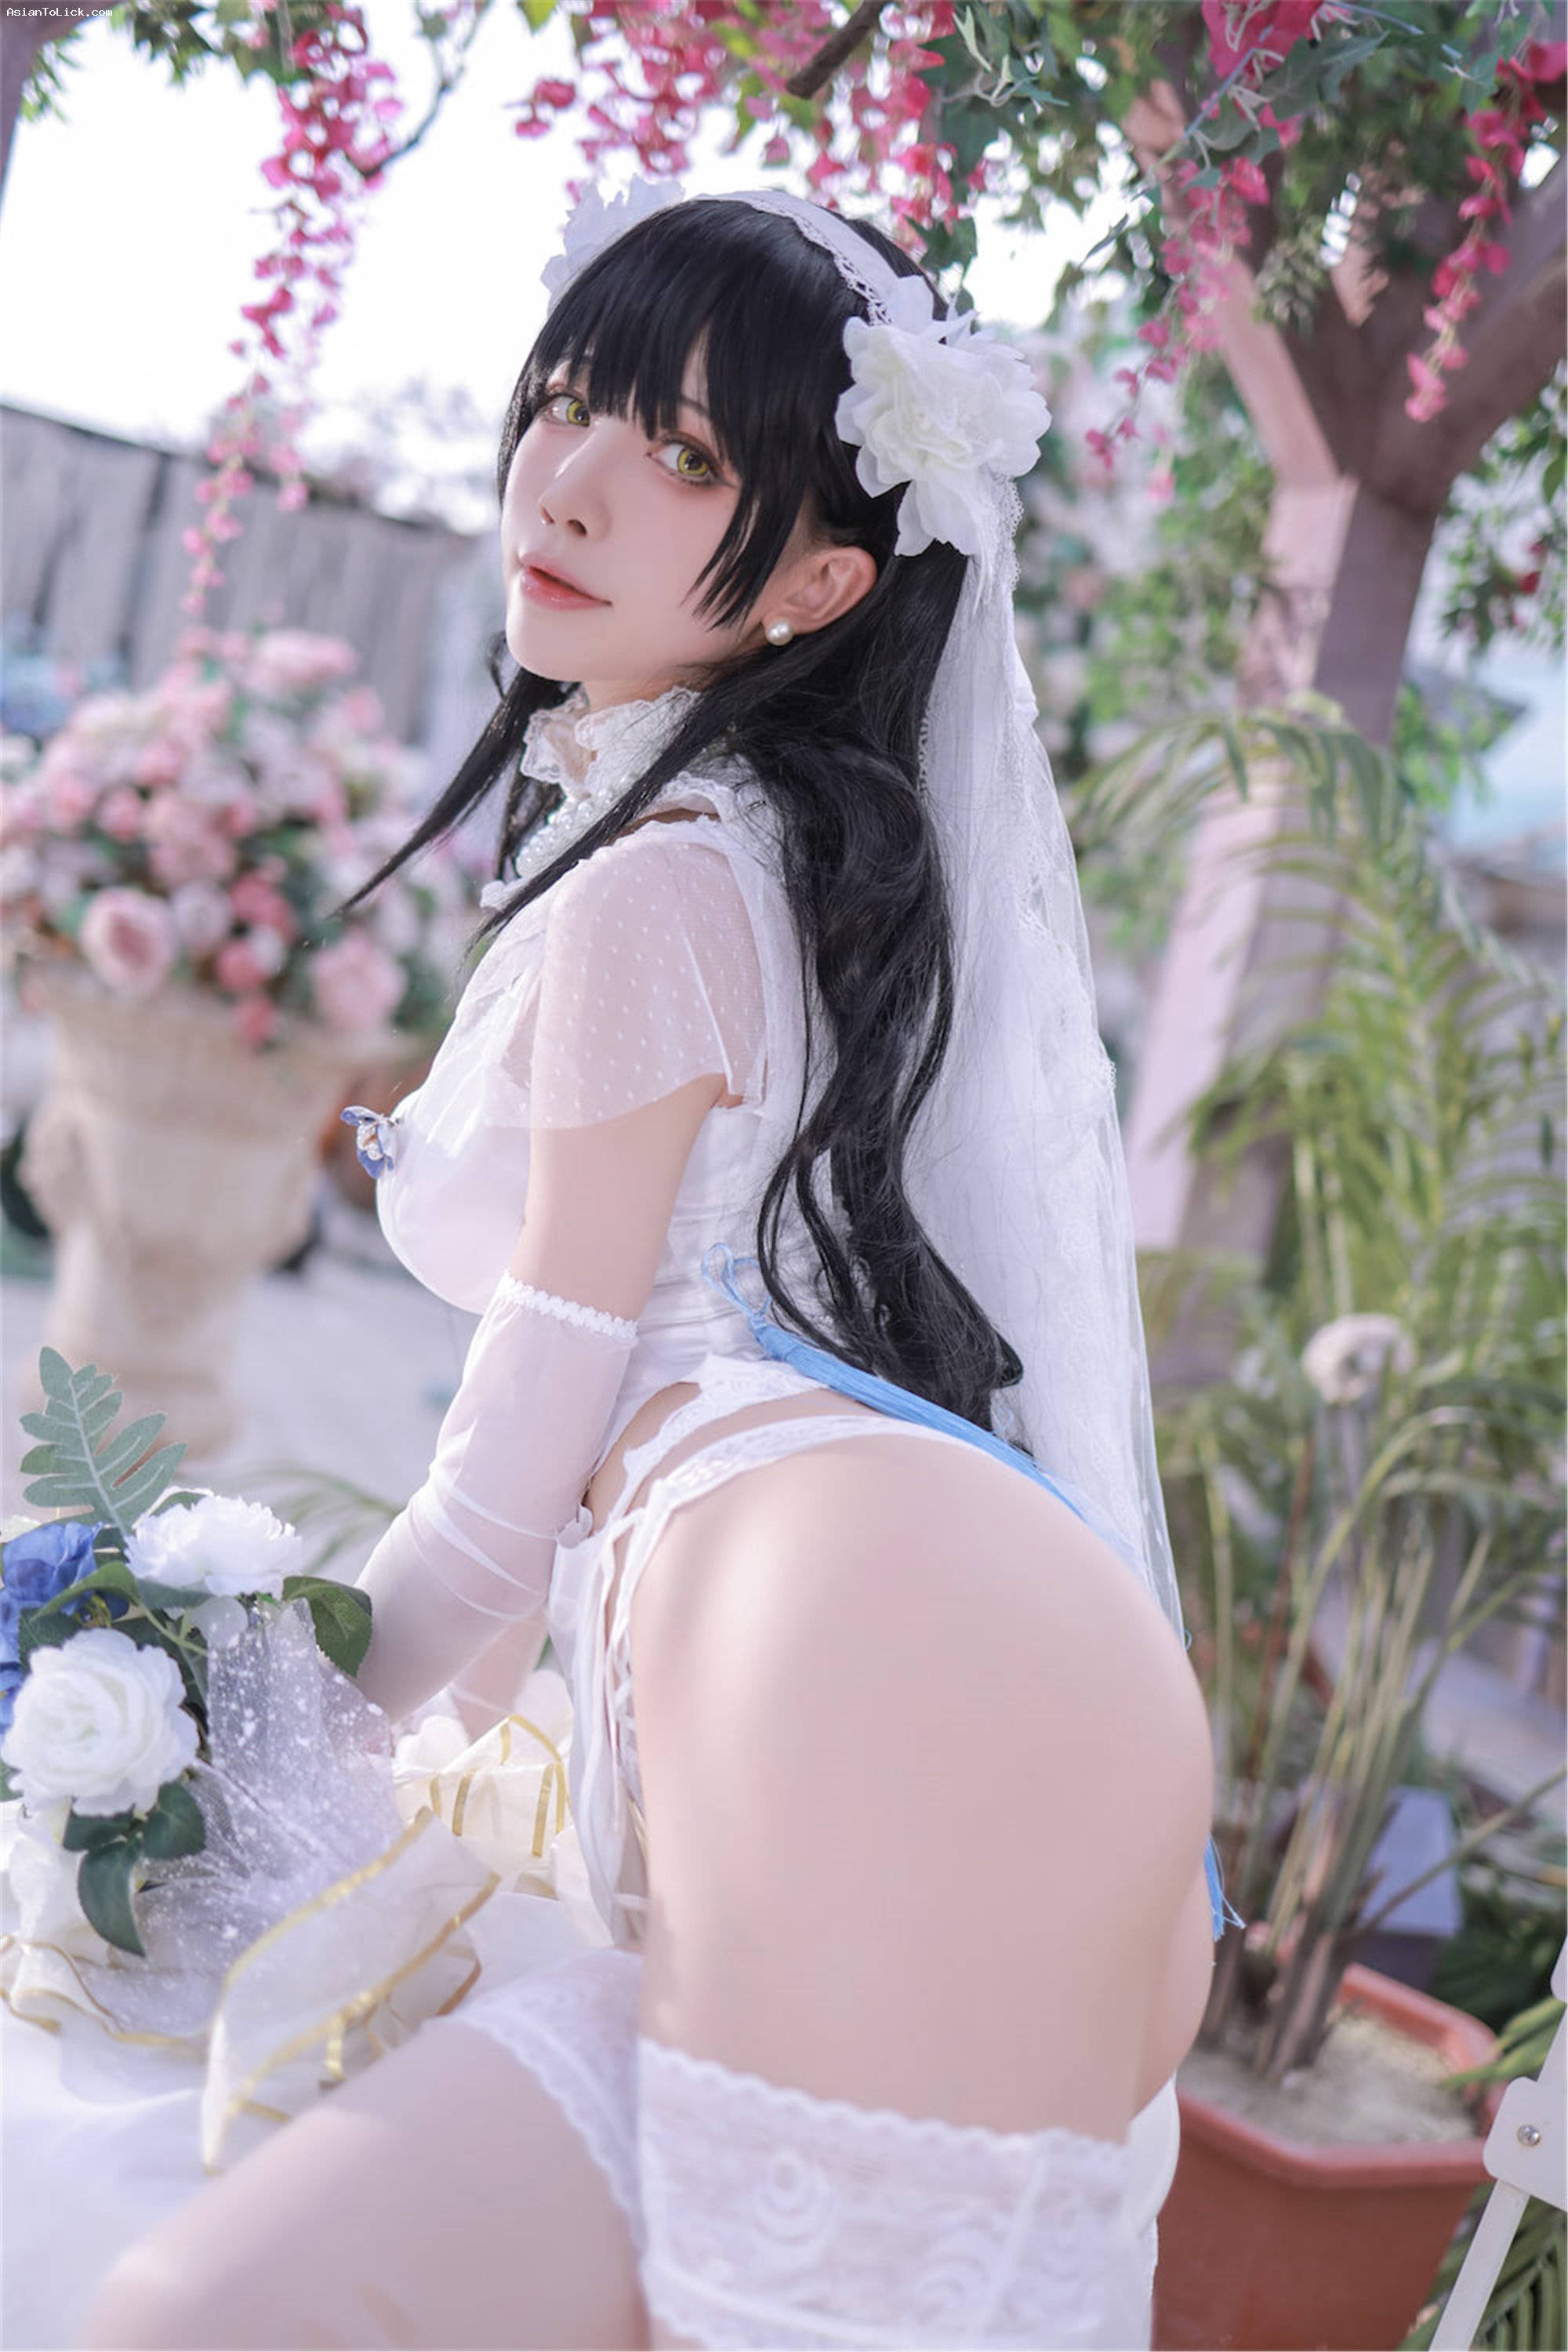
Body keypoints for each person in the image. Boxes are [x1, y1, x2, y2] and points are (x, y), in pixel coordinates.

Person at [79, 189, 1224, 2352]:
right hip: (984, 1670)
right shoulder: (784, 866)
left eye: (685, 455)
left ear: (820, 582)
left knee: (193, 2303)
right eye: (569, 403)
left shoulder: (656, 887)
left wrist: (212, 1757)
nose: (571, 483)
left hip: (842, 1660)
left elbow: (504, 1502)